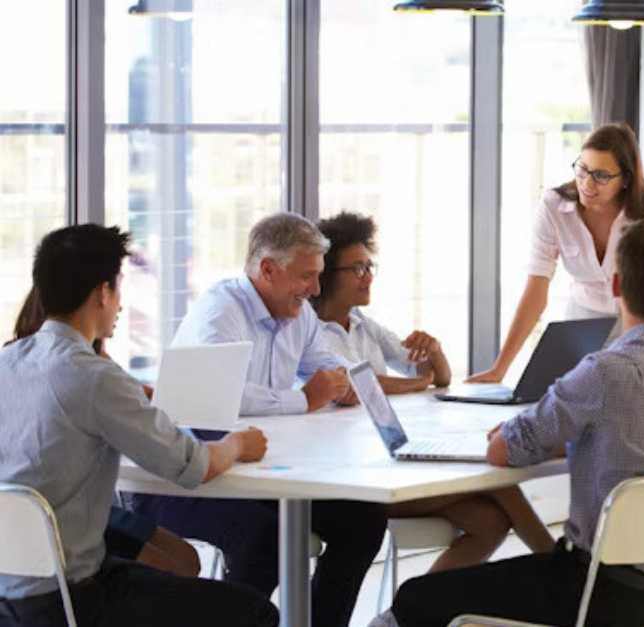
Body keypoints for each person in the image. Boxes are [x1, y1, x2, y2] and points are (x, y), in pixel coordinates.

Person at [373, 220, 644, 627]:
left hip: (586, 593)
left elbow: (502, 451)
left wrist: (510, 434)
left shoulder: (605, 372)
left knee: (417, 597)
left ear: (615, 285)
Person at [0, 224, 276, 627]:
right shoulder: (93, 377)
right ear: (102, 293)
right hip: (69, 600)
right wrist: (237, 444)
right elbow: (193, 466)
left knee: (178, 565)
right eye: (118, 290)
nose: (120, 306)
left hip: (11, 596)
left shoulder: (9, 362)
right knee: (256, 614)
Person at [128, 213, 388, 627]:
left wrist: (343, 381)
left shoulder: (299, 313)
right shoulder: (220, 314)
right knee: (264, 539)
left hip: (261, 474)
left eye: (318, 276)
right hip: (187, 478)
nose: (316, 290)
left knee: (363, 520)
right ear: (268, 269)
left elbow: (327, 364)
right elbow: (225, 400)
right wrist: (304, 400)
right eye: (306, 276)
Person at [313, 212, 555, 571]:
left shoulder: (363, 324)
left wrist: (435, 352)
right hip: (356, 477)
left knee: (489, 523)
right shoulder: (312, 332)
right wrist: (416, 382)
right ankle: (558, 565)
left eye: (370, 267)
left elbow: (437, 378)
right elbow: (355, 384)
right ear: (328, 276)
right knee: (499, 482)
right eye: (357, 269)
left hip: (386, 456)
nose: (367, 277)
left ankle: (406, 614)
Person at [467, 123, 644, 383]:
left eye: (600, 175)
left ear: (625, 179)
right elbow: (536, 289)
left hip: (636, 324)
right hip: (582, 325)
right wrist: (500, 369)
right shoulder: (554, 207)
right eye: (583, 169)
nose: (587, 183)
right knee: (569, 398)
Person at [8, 287, 201, 579]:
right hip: (60, 525)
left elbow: (131, 397)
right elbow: (180, 459)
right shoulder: (74, 372)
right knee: (174, 566)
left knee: (185, 559)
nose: (120, 306)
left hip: (57, 518)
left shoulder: (24, 362)